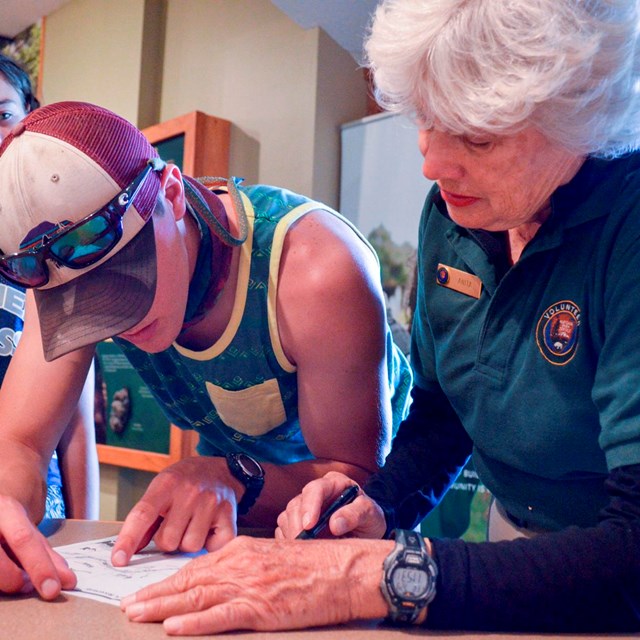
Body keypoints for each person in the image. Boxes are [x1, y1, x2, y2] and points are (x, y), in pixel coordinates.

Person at [118, 0, 640, 634]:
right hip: (516, 545)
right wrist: (378, 507)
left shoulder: (627, 230)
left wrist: (366, 575)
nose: (432, 164)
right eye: (425, 119)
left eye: (477, 134)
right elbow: (446, 413)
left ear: (578, 116)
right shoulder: (454, 213)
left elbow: (631, 549)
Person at [0, 98, 411, 599]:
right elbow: (20, 443)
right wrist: (6, 509)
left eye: (123, 283)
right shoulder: (60, 268)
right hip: (230, 492)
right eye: (85, 306)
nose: (115, 322)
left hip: (355, 508)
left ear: (172, 194)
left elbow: (357, 480)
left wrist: (233, 476)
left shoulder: (316, 272)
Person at [0, 53, 99, 520]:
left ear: (28, 119)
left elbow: (76, 424)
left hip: (41, 513)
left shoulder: (55, 245)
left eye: (3, 114)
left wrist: (86, 534)